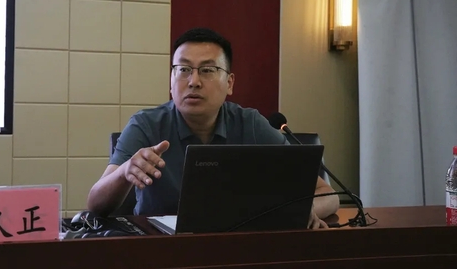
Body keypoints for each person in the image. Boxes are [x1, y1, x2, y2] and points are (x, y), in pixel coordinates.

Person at [87, 27, 339, 229]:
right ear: (171, 81)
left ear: (230, 83)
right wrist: (125, 172)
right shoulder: (146, 125)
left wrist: (302, 211)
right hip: (160, 251)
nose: (194, 81)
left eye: (208, 70)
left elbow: (327, 194)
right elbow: (95, 204)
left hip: (238, 251)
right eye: (184, 70)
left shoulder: (251, 125)